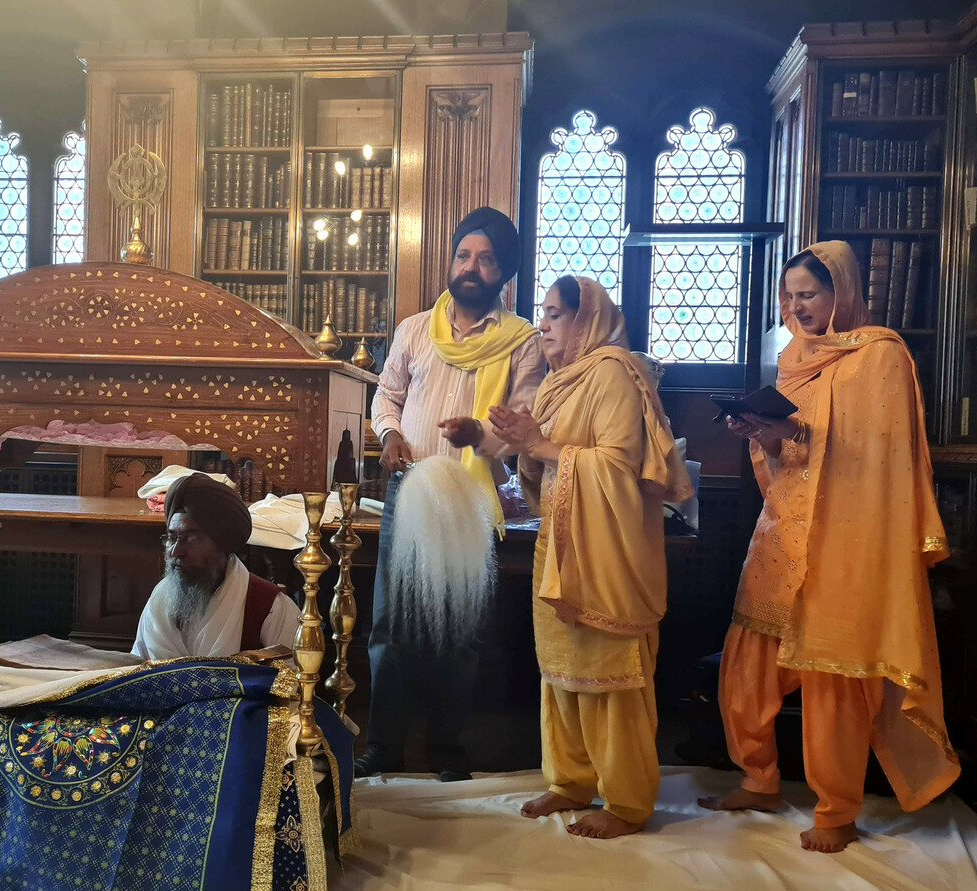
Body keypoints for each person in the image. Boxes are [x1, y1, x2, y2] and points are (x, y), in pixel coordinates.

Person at [700, 242, 960, 852]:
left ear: (840, 290)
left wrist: (794, 429)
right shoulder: (795, 360)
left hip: (843, 544)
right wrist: (765, 435)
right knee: (748, 664)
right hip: (781, 534)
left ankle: (835, 811)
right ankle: (759, 778)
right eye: (788, 297)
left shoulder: (880, 356)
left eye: (807, 295)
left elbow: (877, 459)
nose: (795, 307)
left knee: (832, 681)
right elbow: (792, 460)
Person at [487, 276, 692, 838]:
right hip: (561, 540)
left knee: (609, 669)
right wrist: (527, 446)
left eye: (556, 315)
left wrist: (542, 444)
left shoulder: (612, 372)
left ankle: (626, 802)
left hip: (609, 549)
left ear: (587, 320)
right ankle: (571, 780)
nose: (544, 325)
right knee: (563, 666)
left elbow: (622, 468)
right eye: (542, 314)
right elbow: (546, 463)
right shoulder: (558, 383)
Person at [356, 206, 544, 780]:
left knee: (460, 629)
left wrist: (479, 435)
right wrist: (389, 437)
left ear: (504, 273)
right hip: (408, 491)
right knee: (392, 624)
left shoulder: (522, 342)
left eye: (486, 260)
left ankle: (446, 748)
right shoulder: (416, 329)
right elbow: (385, 397)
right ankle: (385, 746)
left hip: (468, 494)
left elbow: (525, 421)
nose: (471, 267)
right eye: (464, 254)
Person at [132, 472, 300, 660]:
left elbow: (292, 682)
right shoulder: (160, 599)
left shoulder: (271, 607)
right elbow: (136, 669)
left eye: (192, 539)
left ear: (223, 544)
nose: (175, 551)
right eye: (172, 538)